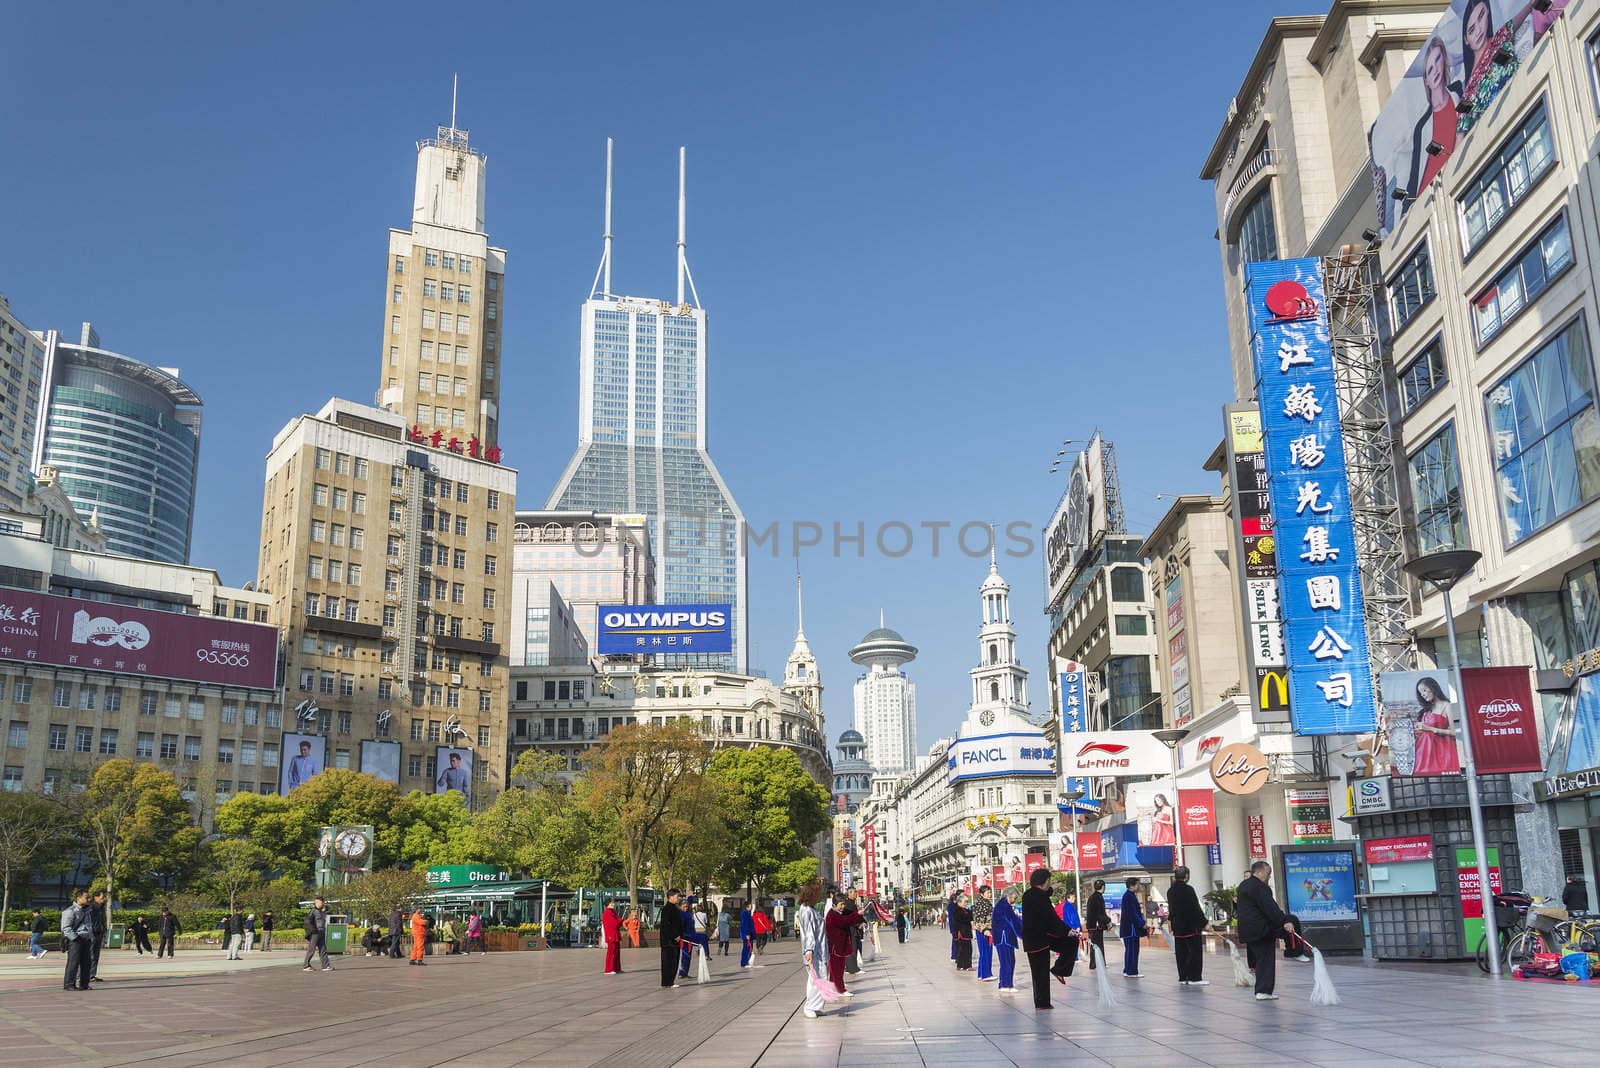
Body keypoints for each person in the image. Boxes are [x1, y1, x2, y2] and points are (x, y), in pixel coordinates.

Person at [1237, 861, 1295, 1001]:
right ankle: (1263, 991)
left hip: (1248, 929)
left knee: (1260, 959)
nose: (1269, 876)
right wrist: (1284, 921)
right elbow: (1270, 908)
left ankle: (1262, 990)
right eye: (1268, 873)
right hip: (1261, 929)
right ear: (1260, 872)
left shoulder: (1244, 885)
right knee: (1266, 959)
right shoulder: (1259, 887)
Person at [1021, 868, 1075, 1010]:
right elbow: (1051, 918)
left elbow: (1042, 895)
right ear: (1044, 882)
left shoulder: (1028, 894)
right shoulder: (1040, 898)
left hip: (1033, 940)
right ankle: (1058, 971)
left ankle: (1041, 1002)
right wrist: (1067, 930)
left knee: (1037, 973)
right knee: (1041, 972)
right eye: (1048, 881)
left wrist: (1052, 888)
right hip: (1040, 939)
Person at [1168, 866, 1209, 986]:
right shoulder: (1188, 890)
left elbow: (1172, 910)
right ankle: (1195, 977)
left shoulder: (1170, 891)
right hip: (1191, 926)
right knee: (1194, 952)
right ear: (1186, 876)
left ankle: (1183, 977)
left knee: (1181, 953)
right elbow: (1194, 908)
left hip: (1178, 927)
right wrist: (1204, 923)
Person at [1412, 676, 1461, 775]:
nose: (1423, 695)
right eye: (1421, 693)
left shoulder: (1446, 705)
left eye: (1424, 690)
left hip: (1441, 750)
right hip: (1423, 751)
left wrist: (1429, 728)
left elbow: (1453, 732)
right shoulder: (1426, 709)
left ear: (1433, 687)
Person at [796, 880, 827, 1018]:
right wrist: (809, 950)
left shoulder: (812, 909)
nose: (820, 897)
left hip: (820, 950)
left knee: (820, 978)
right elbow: (808, 932)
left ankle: (816, 1006)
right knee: (816, 979)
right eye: (818, 894)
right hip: (814, 952)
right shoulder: (806, 910)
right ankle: (810, 1006)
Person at [824, 893, 864, 997]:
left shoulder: (837, 912)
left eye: (843, 904)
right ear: (834, 904)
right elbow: (844, 921)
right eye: (841, 904)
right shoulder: (833, 914)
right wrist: (857, 914)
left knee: (835, 970)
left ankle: (834, 987)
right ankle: (840, 990)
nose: (843, 907)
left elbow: (849, 915)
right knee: (837, 969)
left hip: (839, 945)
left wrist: (858, 915)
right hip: (835, 947)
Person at [991, 885, 1022, 995]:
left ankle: (1003, 983)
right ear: (1009, 896)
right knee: (1008, 960)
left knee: (1006, 961)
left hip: (1002, 937)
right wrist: (1022, 934)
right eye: (1015, 898)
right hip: (1005, 937)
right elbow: (1013, 921)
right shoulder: (1005, 907)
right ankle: (1006, 984)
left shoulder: (1001, 905)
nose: (1015, 900)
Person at [61, 890, 94, 992]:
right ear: (78, 898)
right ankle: (69, 984)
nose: (88, 899)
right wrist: (75, 938)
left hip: (86, 939)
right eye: (86, 897)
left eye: (88, 897)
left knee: (86, 962)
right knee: (73, 962)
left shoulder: (87, 911)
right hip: (75, 940)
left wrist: (90, 936)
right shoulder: (70, 911)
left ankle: (84, 983)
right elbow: (66, 928)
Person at [1119, 878, 1147, 977]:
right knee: (1133, 950)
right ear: (1132, 885)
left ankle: (1127, 969)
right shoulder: (1130, 896)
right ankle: (1132, 971)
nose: (1138, 886)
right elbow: (1133, 913)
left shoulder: (1128, 896)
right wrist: (1141, 923)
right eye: (1137, 885)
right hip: (1131, 929)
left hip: (1128, 928)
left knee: (1129, 950)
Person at [659, 889, 685, 988]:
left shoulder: (675, 908)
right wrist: (675, 935)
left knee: (674, 961)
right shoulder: (667, 909)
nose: (678, 898)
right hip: (669, 941)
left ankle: (670, 981)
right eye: (677, 896)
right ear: (671, 897)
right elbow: (666, 925)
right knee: (668, 962)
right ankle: (667, 982)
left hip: (675, 941)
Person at [1084, 879, 1110, 970]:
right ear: (1102, 887)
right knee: (1098, 945)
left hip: (1092, 925)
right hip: (1096, 926)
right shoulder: (1098, 897)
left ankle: (1094, 963)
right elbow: (1100, 913)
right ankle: (1100, 963)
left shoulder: (1092, 897)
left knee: (1094, 945)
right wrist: (1108, 921)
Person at [973, 885, 995, 982]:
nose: (990, 894)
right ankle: (986, 974)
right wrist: (985, 930)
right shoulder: (982, 904)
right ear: (982, 894)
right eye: (988, 893)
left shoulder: (983, 902)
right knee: (986, 952)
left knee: (983, 952)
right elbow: (979, 920)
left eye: (990, 892)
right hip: (984, 931)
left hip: (983, 930)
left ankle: (981, 974)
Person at [305, 897, 333, 972]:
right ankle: (306, 966)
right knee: (311, 949)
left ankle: (325, 966)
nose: (323, 903)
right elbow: (307, 921)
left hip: (321, 932)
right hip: (315, 933)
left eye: (323, 902)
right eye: (322, 902)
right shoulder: (313, 911)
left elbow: (327, 915)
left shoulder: (322, 911)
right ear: (317, 902)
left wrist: (324, 910)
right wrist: (313, 931)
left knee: (323, 949)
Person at [88, 889, 107, 982]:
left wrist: (104, 931)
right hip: (91, 934)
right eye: (102, 897)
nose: (104, 899)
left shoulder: (102, 907)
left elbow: (103, 921)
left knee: (95, 955)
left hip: (99, 933)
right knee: (89, 955)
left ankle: (92, 975)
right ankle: (82, 975)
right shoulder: (91, 907)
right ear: (95, 897)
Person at [951, 892, 973, 970]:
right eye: (965, 902)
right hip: (961, 932)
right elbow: (964, 918)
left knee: (967, 949)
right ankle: (963, 965)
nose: (966, 904)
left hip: (966, 932)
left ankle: (965, 965)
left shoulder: (965, 910)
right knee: (962, 949)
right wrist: (969, 916)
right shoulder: (957, 910)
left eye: (966, 902)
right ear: (959, 902)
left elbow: (971, 916)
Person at [602, 899, 622, 974]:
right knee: (611, 952)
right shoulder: (607, 912)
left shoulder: (612, 912)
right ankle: (609, 969)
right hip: (611, 935)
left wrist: (619, 921)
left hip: (615, 934)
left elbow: (618, 921)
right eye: (612, 903)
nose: (613, 904)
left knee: (616, 952)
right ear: (608, 904)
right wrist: (619, 920)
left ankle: (616, 968)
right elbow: (615, 923)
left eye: (613, 903)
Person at [738, 902, 756, 969]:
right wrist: (747, 933)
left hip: (749, 934)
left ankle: (747, 961)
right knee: (746, 948)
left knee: (748, 948)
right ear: (747, 906)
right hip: (746, 934)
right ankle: (744, 962)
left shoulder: (747, 913)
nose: (751, 907)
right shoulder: (745, 913)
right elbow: (745, 924)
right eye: (750, 905)